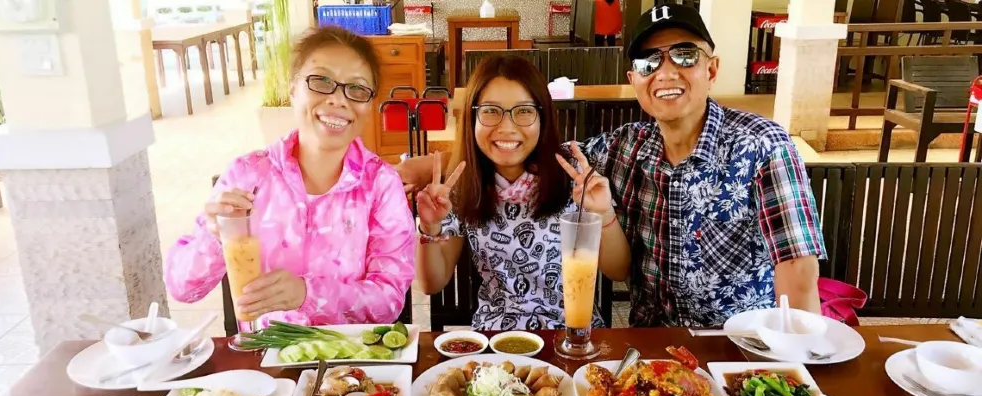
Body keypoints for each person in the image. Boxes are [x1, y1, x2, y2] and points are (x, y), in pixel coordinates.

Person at [399, 5, 825, 328]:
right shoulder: (626, 147)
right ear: (633, 78)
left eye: (684, 55)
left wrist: (800, 367)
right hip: (648, 343)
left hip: (736, 345)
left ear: (711, 68)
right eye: (648, 62)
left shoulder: (761, 144)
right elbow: (526, 151)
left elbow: (798, 270)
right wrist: (431, 168)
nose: (665, 72)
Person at [165, 26, 415, 327]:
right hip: (267, 350)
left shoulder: (380, 184)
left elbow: (389, 300)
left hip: (352, 353)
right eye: (321, 81)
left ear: (370, 104)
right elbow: (183, 288)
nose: (339, 100)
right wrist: (215, 236)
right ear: (293, 88)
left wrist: (307, 295)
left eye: (357, 89)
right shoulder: (249, 175)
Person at [414, 55, 631, 331]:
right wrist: (429, 227)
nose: (506, 127)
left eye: (524, 111)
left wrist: (603, 212)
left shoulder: (575, 175)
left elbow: (618, 270)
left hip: (573, 334)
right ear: (471, 117)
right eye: (490, 111)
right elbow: (432, 284)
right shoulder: (462, 184)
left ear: (543, 116)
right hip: (496, 336)